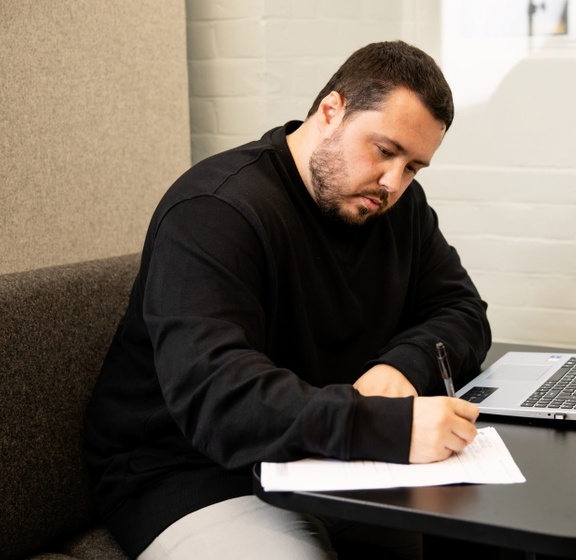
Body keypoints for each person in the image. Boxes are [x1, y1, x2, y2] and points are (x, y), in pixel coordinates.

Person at [84, 40, 491, 560]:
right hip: (190, 471)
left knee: (474, 537)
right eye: (385, 151)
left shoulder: (394, 207)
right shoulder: (214, 210)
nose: (393, 183)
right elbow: (222, 401)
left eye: (413, 168)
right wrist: (387, 426)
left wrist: (403, 368)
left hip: (327, 457)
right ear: (330, 111)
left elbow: (462, 310)